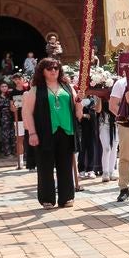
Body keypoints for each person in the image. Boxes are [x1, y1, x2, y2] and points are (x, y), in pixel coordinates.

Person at [22, 58, 82, 209]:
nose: (53, 70)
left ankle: (66, 197)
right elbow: (27, 113)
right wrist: (32, 133)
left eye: (56, 68)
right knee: (45, 167)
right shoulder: (36, 90)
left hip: (66, 131)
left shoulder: (68, 87)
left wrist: (79, 102)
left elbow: (78, 113)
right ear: (42, 71)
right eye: (49, 68)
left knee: (65, 166)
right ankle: (47, 199)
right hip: (44, 133)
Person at [109, 68, 129, 202]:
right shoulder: (121, 83)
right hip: (127, 125)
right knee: (125, 156)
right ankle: (124, 188)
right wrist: (126, 117)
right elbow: (113, 105)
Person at [0, 81, 16, 157]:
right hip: (3, 117)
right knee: (6, 134)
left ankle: (14, 151)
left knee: (13, 134)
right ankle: (7, 152)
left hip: (12, 116)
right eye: (2, 86)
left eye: (5, 86)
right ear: (0, 88)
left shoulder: (10, 95)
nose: (4, 88)